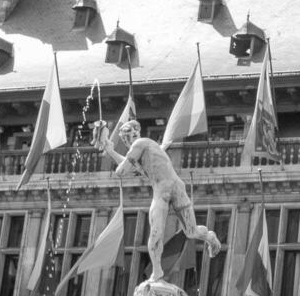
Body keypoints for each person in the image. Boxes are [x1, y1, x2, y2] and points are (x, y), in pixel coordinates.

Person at [94, 120, 222, 281]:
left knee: (191, 232)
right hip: (161, 192)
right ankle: (157, 271)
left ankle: (210, 236)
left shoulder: (141, 143)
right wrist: (110, 150)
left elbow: (122, 170)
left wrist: (108, 148)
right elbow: (130, 166)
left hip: (175, 189)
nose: (129, 139)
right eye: (127, 137)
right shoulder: (141, 152)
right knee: (156, 233)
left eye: (130, 135)